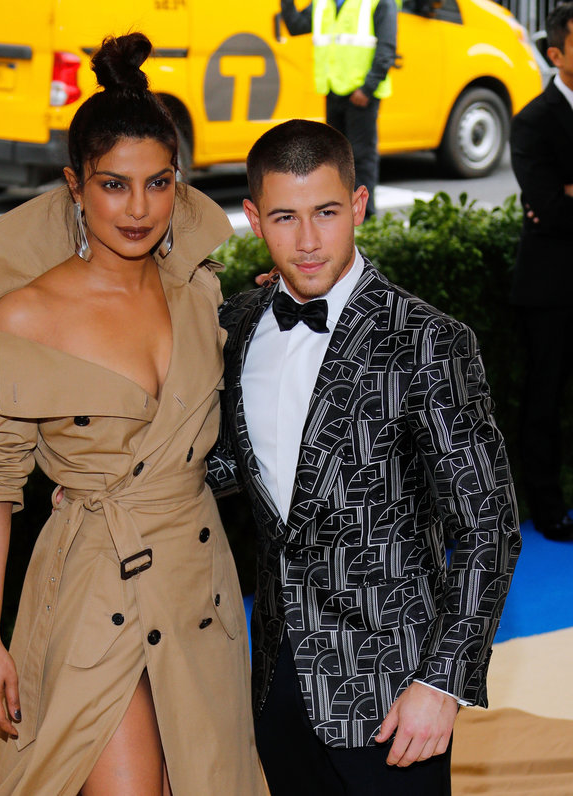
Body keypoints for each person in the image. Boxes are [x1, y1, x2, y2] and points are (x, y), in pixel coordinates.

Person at [0, 33, 268, 796]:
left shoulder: (198, 293)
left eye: (158, 183)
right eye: (113, 185)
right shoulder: (23, 316)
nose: (138, 209)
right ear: (75, 185)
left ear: (181, 183)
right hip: (92, 584)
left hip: (198, 580)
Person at [206, 119, 520, 795]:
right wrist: (109, 482)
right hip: (276, 681)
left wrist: (442, 682)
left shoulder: (428, 340)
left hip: (393, 687)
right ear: (254, 218)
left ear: (359, 205)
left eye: (326, 212)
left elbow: (487, 525)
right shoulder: (236, 325)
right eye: (285, 217)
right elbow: (234, 465)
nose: (309, 240)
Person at [509, 2, 573, 542]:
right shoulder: (532, 119)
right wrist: (560, 197)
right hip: (551, 286)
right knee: (544, 399)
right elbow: (549, 208)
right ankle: (549, 510)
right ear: (556, 53)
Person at [280, 0, 398, 218]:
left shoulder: (378, 2)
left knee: (361, 156)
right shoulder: (324, 2)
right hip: (333, 89)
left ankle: (366, 216)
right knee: (335, 158)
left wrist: (368, 88)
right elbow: (296, 27)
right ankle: (341, 216)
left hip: (361, 94)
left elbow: (387, 48)